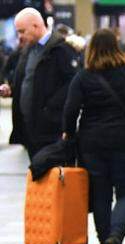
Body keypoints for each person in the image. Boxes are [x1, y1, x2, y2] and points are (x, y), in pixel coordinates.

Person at [63, 29, 125, 244]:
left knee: (100, 195)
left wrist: (68, 134)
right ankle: (116, 236)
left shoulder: (83, 77)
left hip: (92, 143)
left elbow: (71, 110)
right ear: (117, 47)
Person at [0, 8, 78, 158]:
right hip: (30, 129)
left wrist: (48, 109)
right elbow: (28, 81)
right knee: (35, 176)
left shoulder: (60, 50)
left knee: (50, 177)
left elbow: (72, 84)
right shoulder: (28, 50)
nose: (20, 36)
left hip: (50, 131)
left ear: (36, 26)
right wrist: (12, 90)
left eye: (22, 31)